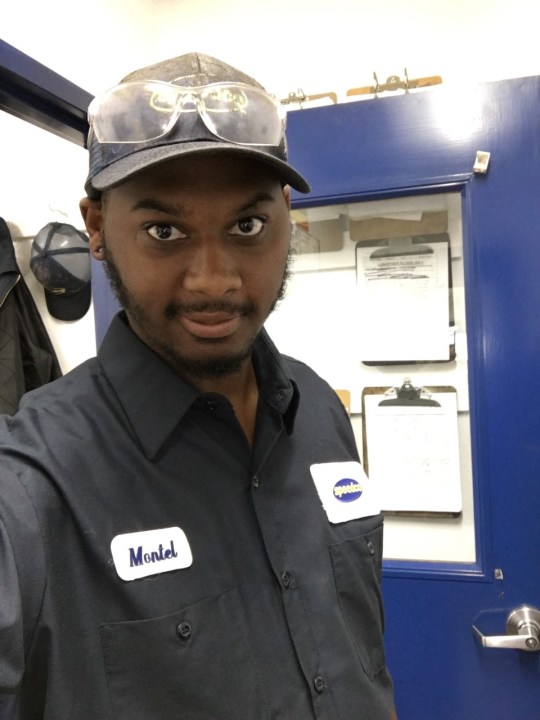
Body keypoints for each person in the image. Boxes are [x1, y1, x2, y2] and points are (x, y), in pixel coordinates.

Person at [0, 52, 397, 719]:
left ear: (286, 217)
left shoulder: (317, 412)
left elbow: (360, 652)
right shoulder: (32, 482)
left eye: (247, 226)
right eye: (164, 231)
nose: (213, 280)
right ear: (96, 228)